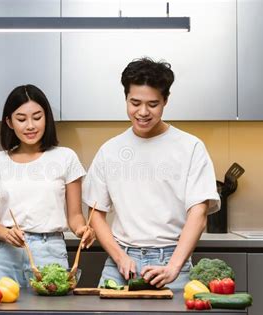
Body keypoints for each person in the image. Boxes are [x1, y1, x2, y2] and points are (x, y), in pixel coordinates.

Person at [82, 57, 220, 290]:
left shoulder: (190, 147)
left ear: (166, 100)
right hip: (121, 263)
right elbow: (95, 213)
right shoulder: (110, 150)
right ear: (125, 98)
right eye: (135, 103)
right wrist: (119, 257)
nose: (143, 112)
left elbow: (199, 212)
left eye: (153, 104)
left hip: (174, 263)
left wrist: (174, 266)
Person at [0, 84, 95, 287]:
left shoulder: (65, 157)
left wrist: (82, 229)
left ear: (46, 118)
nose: (30, 125)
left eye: (37, 117)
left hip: (50, 252)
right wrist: (6, 234)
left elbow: (75, 215)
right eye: (21, 119)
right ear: (9, 122)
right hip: (5, 254)